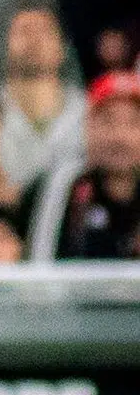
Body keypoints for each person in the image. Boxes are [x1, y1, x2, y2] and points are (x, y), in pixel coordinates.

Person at [24, 70, 140, 262]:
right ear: (88, 126)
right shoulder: (59, 185)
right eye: (107, 121)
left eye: (133, 123)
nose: (120, 136)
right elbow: (39, 261)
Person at [0, 3, 86, 191]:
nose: (34, 40)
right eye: (23, 31)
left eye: (45, 31)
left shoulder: (88, 112)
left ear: (63, 47)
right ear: (3, 46)